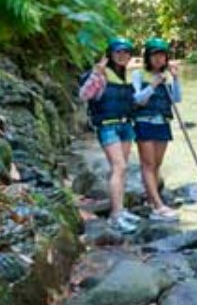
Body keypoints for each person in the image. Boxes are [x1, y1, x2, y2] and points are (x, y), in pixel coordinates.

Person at [78, 37, 139, 231]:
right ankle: (115, 216)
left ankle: (121, 210)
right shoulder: (102, 75)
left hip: (126, 126)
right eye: (118, 52)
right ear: (110, 54)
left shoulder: (125, 77)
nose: (122, 56)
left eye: (126, 52)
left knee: (123, 168)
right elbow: (84, 95)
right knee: (118, 167)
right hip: (108, 127)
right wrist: (96, 74)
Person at [131, 37, 183, 223]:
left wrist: (176, 78)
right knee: (148, 165)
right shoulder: (138, 75)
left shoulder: (166, 76)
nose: (159, 59)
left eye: (162, 56)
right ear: (148, 57)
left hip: (162, 123)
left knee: (156, 165)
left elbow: (176, 99)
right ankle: (158, 206)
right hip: (144, 123)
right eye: (155, 55)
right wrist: (153, 85)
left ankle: (152, 198)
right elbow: (138, 100)